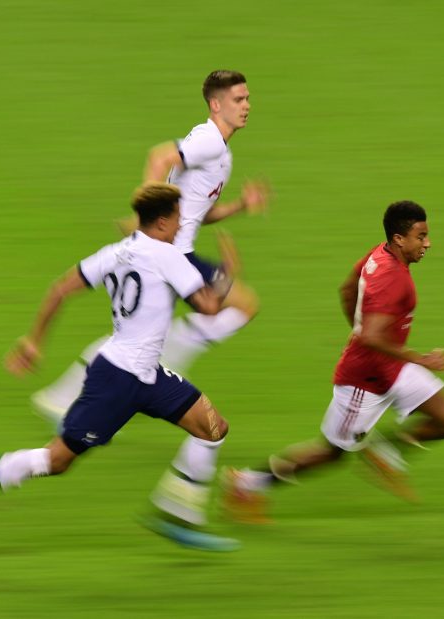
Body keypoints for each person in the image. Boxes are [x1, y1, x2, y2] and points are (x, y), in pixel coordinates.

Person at [0, 183, 242, 551]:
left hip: (145, 374)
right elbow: (210, 308)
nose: (182, 223)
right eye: (177, 217)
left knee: (213, 427)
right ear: (162, 222)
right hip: (119, 382)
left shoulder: (114, 253)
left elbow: (60, 288)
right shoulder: (169, 257)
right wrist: (227, 274)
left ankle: (178, 512)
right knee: (56, 460)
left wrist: (34, 340)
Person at [31, 70, 270, 425]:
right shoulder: (210, 142)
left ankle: (60, 397)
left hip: (173, 247)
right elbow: (159, 157)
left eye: (248, 98)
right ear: (215, 104)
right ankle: (170, 356)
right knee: (242, 306)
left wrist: (239, 206)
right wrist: (145, 208)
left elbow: (198, 212)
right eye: (239, 99)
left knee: (131, 334)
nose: (247, 106)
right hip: (176, 253)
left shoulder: (219, 152)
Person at [222, 201, 444, 523]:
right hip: (363, 380)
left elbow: (346, 290)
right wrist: (421, 358)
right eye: (420, 237)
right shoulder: (393, 279)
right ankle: (246, 483)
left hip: (393, 369)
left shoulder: (377, 255)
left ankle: (386, 451)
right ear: (398, 239)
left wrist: (360, 328)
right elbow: (371, 337)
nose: (427, 243)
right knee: (331, 453)